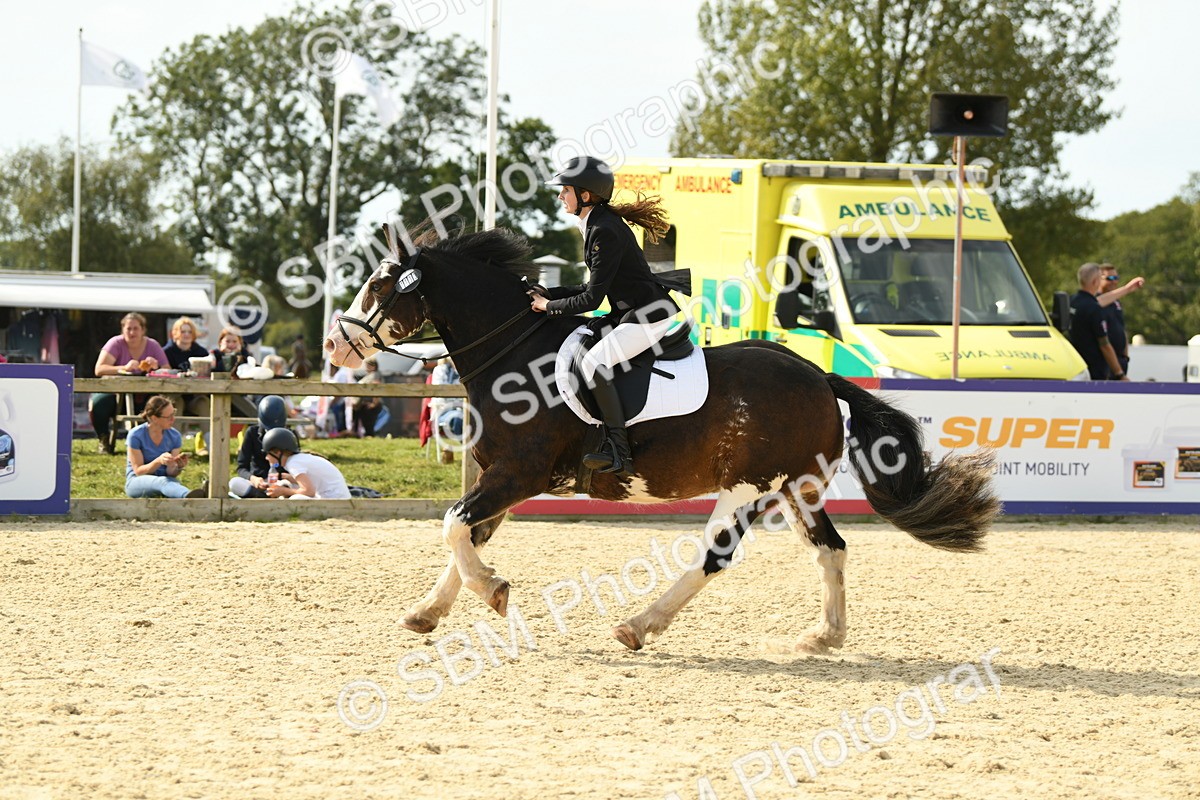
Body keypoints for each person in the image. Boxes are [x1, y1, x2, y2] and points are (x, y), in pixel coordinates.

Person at [533, 155, 690, 476]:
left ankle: (619, 450)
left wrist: (547, 307)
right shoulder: (596, 223)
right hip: (630, 312)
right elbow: (588, 284)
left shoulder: (604, 230)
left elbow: (592, 298)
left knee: (594, 364)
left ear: (585, 195)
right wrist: (550, 293)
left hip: (649, 316)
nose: (560, 196)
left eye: (565, 190)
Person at [90, 312, 170, 455]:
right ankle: (104, 440)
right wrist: (123, 368)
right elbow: (99, 369)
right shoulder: (116, 343)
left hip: (144, 396)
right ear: (123, 330)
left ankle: (155, 444)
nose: (132, 332)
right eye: (128, 329)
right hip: (116, 394)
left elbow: (168, 371)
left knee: (161, 405)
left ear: (143, 330)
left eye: (136, 328)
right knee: (98, 403)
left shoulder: (152, 345)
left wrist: (156, 367)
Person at [124, 395, 206, 498]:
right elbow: (138, 471)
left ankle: (198, 496)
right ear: (154, 418)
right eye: (169, 417)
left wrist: (178, 466)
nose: (173, 419)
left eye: (173, 414)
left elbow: (171, 473)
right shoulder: (136, 435)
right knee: (163, 482)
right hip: (137, 481)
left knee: (169, 482)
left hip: (166, 480)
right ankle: (188, 496)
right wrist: (158, 461)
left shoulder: (174, 436)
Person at [1069, 262, 1128, 381]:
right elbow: (1104, 344)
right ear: (1096, 281)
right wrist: (1119, 374)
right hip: (1095, 370)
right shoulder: (1094, 308)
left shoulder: (1071, 301)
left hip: (1075, 365)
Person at [261, 427, 351, 499]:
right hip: (339, 497)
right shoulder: (298, 459)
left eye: (268, 454)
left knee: (296, 499)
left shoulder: (293, 463)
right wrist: (289, 478)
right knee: (289, 486)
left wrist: (283, 491)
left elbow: (308, 492)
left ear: (278, 452)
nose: (266, 458)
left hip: (334, 500)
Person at [228, 395, 288, 498]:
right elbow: (242, 467)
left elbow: (294, 469)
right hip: (257, 483)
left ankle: (265, 496)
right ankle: (262, 496)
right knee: (234, 483)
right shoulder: (252, 433)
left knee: (291, 485)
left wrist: (279, 479)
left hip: (281, 482)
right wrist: (253, 479)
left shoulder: (289, 435)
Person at [1096, 263, 1145, 379]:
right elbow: (1097, 302)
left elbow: (1121, 328)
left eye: (1116, 278)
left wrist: (1125, 356)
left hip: (1120, 359)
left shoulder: (1116, 303)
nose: (1114, 281)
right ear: (1098, 280)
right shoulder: (1095, 301)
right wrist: (1128, 288)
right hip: (1105, 362)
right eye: (1110, 278)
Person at [430, 357, 463, 441]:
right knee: (459, 419)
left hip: (463, 409)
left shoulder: (463, 370)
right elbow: (441, 395)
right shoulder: (440, 371)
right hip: (444, 410)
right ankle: (467, 448)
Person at [349, 358, 384, 437]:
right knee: (364, 424)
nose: (366, 367)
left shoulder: (375, 375)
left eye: (368, 365)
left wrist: (374, 403)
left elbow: (376, 388)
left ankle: (370, 439)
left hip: (370, 404)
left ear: (374, 366)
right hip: (364, 404)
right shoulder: (369, 375)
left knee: (369, 426)